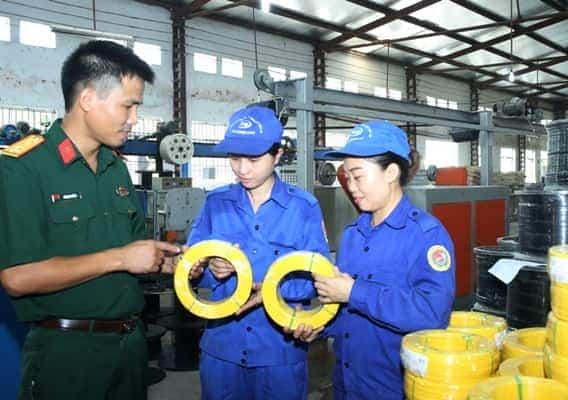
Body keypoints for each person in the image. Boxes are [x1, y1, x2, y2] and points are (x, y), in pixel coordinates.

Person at [0, 40, 180, 400]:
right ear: (87, 99)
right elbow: (17, 278)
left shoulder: (116, 169)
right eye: (127, 106)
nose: (134, 119)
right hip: (67, 356)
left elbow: (134, 253)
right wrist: (120, 258)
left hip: (130, 347)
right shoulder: (23, 168)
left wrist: (174, 262)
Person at [293, 120, 456, 400]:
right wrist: (319, 326)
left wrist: (354, 292)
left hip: (391, 388)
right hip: (346, 384)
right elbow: (348, 313)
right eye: (347, 177)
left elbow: (433, 314)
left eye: (358, 177)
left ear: (391, 172)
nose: (351, 187)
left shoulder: (426, 236)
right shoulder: (353, 234)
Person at [186, 105, 330, 400]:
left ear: (277, 155)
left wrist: (272, 287)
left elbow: (320, 279)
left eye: (253, 159)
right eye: (235, 158)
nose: (242, 169)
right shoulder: (215, 203)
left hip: (279, 352)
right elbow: (191, 269)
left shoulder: (303, 208)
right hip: (222, 350)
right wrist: (210, 270)